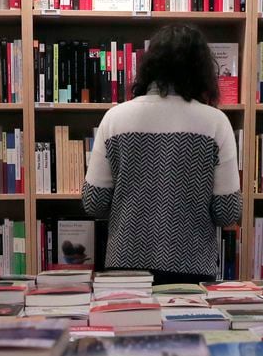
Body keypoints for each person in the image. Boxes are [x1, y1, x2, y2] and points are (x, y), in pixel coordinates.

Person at [82, 24, 241, 285]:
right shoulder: (215, 123)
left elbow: (94, 203)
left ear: (149, 66)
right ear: (202, 69)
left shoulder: (114, 119)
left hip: (125, 267)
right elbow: (227, 212)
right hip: (193, 270)